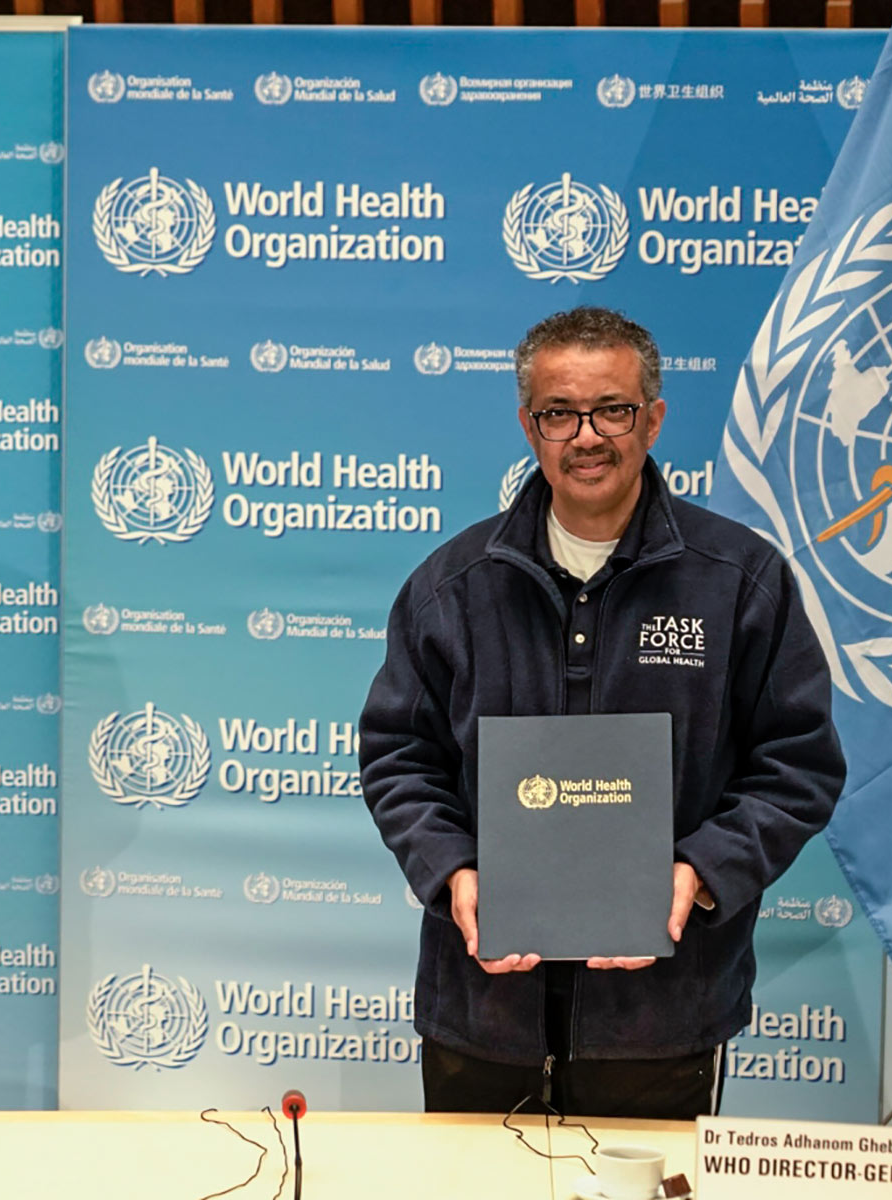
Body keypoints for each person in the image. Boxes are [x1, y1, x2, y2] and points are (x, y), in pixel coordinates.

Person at [358, 307, 845, 1119]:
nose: (587, 437)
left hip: (662, 1016)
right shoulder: (452, 586)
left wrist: (700, 873)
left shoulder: (739, 581)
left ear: (653, 419)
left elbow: (798, 766)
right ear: (529, 427)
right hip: (483, 1009)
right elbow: (398, 757)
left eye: (612, 410)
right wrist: (453, 872)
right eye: (560, 413)